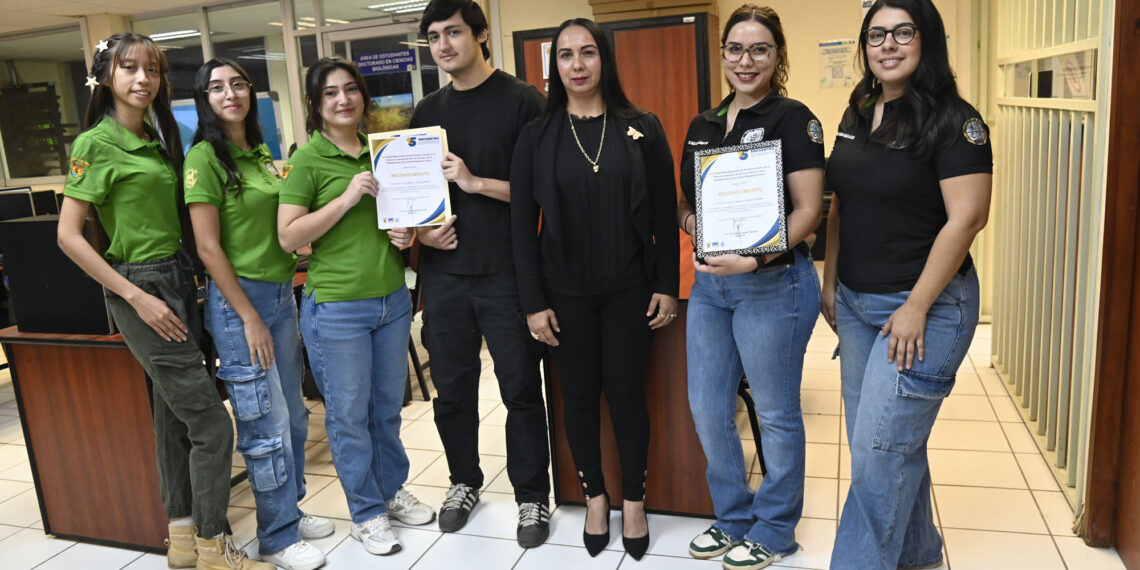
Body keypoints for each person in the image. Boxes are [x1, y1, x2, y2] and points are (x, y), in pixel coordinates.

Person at [57, 33, 271, 570]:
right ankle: (213, 544)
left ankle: (182, 542)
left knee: (173, 420)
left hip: (176, 282)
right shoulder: (95, 144)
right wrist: (133, 296)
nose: (141, 79)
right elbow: (69, 235)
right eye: (129, 68)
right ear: (107, 76)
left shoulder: (156, 139)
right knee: (212, 425)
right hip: (143, 288)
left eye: (151, 69)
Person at [821, 1, 992, 568]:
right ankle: (919, 553)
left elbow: (967, 217)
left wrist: (917, 305)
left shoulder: (955, 120)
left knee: (877, 454)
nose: (888, 45)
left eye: (902, 32)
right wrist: (831, 279)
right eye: (876, 35)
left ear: (927, 40)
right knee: (884, 449)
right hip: (856, 302)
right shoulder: (859, 108)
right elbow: (843, 199)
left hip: (925, 309)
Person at [510, 18, 680, 561]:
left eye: (588, 53)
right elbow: (521, 226)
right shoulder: (537, 135)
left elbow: (661, 213)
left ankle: (634, 499)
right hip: (564, 297)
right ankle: (595, 497)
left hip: (630, 289)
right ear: (554, 66)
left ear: (605, 59)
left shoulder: (642, 127)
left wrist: (667, 286)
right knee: (578, 400)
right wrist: (533, 303)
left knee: (628, 398)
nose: (577, 65)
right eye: (566, 55)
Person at [677, 6, 825, 570]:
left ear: (778, 56)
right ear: (722, 55)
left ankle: (775, 527)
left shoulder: (794, 119)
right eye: (735, 49)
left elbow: (810, 210)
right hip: (712, 288)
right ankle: (733, 516)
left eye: (760, 49)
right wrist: (699, 231)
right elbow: (687, 206)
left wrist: (756, 254)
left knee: (775, 412)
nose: (746, 60)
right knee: (708, 406)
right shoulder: (703, 125)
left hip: (775, 284)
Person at [277, 57, 435, 557]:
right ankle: (366, 513)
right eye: (330, 93)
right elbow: (288, 237)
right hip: (337, 310)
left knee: (387, 409)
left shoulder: (382, 152)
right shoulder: (308, 159)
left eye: (350, 90)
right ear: (316, 104)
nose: (343, 99)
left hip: (391, 300)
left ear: (363, 97)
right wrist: (345, 199)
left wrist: (404, 233)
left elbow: (396, 223)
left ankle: (389, 492)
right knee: (348, 417)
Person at [411, 0, 552, 547]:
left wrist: (476, 184)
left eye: (453, 33)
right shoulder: (426, 111)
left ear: (481, 34)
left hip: (508, 273)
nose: (444, 45)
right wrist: (421, 234)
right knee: (452, 390)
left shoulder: (523, 103)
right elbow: (416, 197)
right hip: (444, 273)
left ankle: (531, 496)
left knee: (519, 387)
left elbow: (544, 192)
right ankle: (463, 481)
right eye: (433, 37)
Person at [184, 58, 334, 570]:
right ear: (204, 98)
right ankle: (275, 535)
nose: (230, 94)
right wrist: (246, 316)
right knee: (264, 425)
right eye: (217, 88)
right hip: (237, 306)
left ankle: (287, 510)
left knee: (293, 414)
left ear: (251, 91)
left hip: (278, 296)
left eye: (238, 84)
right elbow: (208, 249)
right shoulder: (205, 158)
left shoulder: (261, 152)